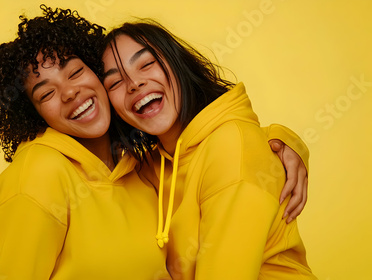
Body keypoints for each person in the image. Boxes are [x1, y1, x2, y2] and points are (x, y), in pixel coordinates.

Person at [0, 5, 309, 279]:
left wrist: (277, 142)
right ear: (33, 115)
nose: (70, 91)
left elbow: (230, 151)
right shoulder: (47, 172)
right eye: (45, 93)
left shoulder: (147, 164)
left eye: (76, 72)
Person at [102, 20, 316, 279]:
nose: (134, 84)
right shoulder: (151, 168)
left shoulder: (231, 147)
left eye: (146, 64)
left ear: (177, 63)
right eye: (114, 83)